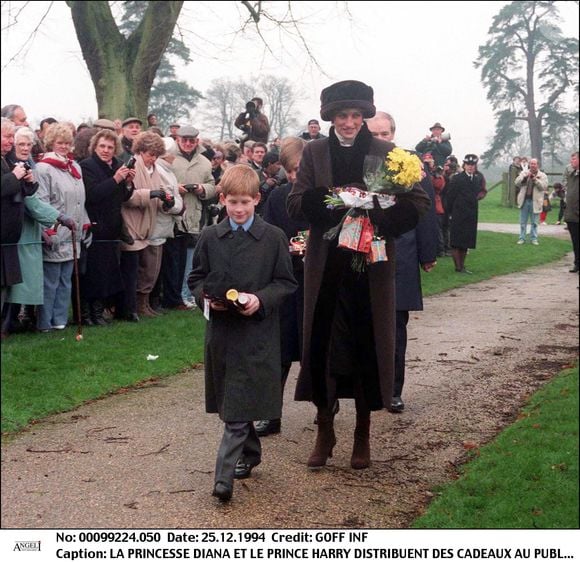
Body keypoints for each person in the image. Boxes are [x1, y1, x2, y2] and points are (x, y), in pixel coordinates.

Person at [287, 79, 430, 470]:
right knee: (325, 344)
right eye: (341, 116)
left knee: (367, 342)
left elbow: (418, 201)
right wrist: (331, 202)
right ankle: (325, 427)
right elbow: (295, 202)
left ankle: (362, 431)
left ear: (364, 116)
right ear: (330, 118)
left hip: (371, 265)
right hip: (326, 264)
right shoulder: (315, 152)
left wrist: (380, 213)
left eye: (355, 115)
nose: (348, 122)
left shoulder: (387, 152)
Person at [188, 164, 297, 502]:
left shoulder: (273, 238)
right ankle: (250, 452)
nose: (238, 209)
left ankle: (223, 479)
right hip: (222, 334)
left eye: (245, 202)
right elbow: (196, 279)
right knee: (234, 398)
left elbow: (285, 283)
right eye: (232, 202)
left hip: (257, 333)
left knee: (236, 408)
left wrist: (259, 300)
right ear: (222, 200)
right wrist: (207, 298)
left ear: (257, 200)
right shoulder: (209, 237)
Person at [366, 111, 438, 413]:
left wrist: (427, 252)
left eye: (385, 134)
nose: (381, 139)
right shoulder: (359, 162)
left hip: (401, 253)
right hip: (364, 251)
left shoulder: (408, 163)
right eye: (375, 134)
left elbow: (425, 209)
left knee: (395, 326)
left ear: (393, 134)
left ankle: (393, 390)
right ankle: (367, 388)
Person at [259, 137, 309, 436]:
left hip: (316, 281)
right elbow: (269, 234)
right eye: (289, 170)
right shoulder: (277, 197)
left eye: (299, 170)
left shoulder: (325, 196)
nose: (293, 176)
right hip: (286, 282)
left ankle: (324, 405)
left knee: (316, 347)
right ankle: (271, 412)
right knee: (279, 351)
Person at [2, 127, 61, 337]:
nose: (25, 148)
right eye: (19, 143)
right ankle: (8, 324)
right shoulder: (9, 164)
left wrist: (29, 182)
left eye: (29, 144)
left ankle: (13, 322)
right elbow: (27, 201)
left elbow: (26, 193)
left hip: (21, 230)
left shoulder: (23, 164)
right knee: (12, 283)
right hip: (16, 231)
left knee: (14, 282)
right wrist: (56, 217)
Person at [35, 122, 89, 332]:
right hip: (55, 231)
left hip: (73, 232)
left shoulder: (75, 167)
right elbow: (41, 201)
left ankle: (59, 321)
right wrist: (47, 229)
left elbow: (80, 200)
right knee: (50, 281)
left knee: (66, 280)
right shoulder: (43, 168)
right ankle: (44, 322)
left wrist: (84, 222)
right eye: (60, 142)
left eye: (67, 142)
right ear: (51, 143)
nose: (64, 146)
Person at [79, 128, 136, 325]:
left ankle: (99, 312)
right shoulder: (86, 166)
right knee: (92, 274)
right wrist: (115, 180)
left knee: (106, 274)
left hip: (113, 227)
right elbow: (92, 194)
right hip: (95, 226)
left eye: (110, 147)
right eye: (102, 146)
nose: (105, 150)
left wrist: (128, 183)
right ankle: (86, 315)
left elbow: (123, 197)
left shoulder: (119, 165)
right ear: (95, 146)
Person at [118, 131, 169, 321]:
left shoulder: (155, 169)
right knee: (130, 272)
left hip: (147, 225)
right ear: (140, 151)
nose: (153, 158)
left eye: (156, 154)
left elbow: (157, 195)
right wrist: (152, 194)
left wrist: (166, 200)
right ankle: (129, 308)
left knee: (145, 270)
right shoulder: (131, 166)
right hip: (131, 224)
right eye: (149, 154)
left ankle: (142, 304)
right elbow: (127, 197)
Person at [166, 125, 215, 310]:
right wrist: (174, 188)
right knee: (172, 260)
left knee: (187, 260)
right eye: (184, 140)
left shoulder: (204, 162)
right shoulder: (169, 157)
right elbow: (161, 181)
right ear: (178, 140)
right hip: (171, 213)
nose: (187, 143)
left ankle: (181, 296)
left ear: (197, 141)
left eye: (191, 140)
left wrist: (202, 189)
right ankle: (171, 298)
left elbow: (212, 185)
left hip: (194, 214)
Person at [445, 154, 486, 274]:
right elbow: (450, 196)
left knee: (466, 241)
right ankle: (458, 267)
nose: (470, 167)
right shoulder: (457, 178)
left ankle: (462, 266)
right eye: (468, 165)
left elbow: (479, 193)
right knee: (457, 241)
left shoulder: (477, 178)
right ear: (464, 165)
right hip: (458, 212)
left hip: (471, 213)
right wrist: (450, 212)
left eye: (472, 165)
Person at [515, 158, 548, 245]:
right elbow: (516, 183)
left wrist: (535, 180)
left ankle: (534, 239)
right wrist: (525, 178)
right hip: (524, 201)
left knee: (534, 222)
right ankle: (522, 238)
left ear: (538, 165)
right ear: (529, 165)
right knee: (523, 222)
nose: (532, 165)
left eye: (534, 164)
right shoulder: (524, 172)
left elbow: (543, 187)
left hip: (536, 202)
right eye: (531, 164)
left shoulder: (543, 175)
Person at [562, 151, 579, 273]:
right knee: (575, 241)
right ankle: (577, 263)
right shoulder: (572, 175)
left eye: (573, 159)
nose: (571, 161)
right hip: (571, 214)